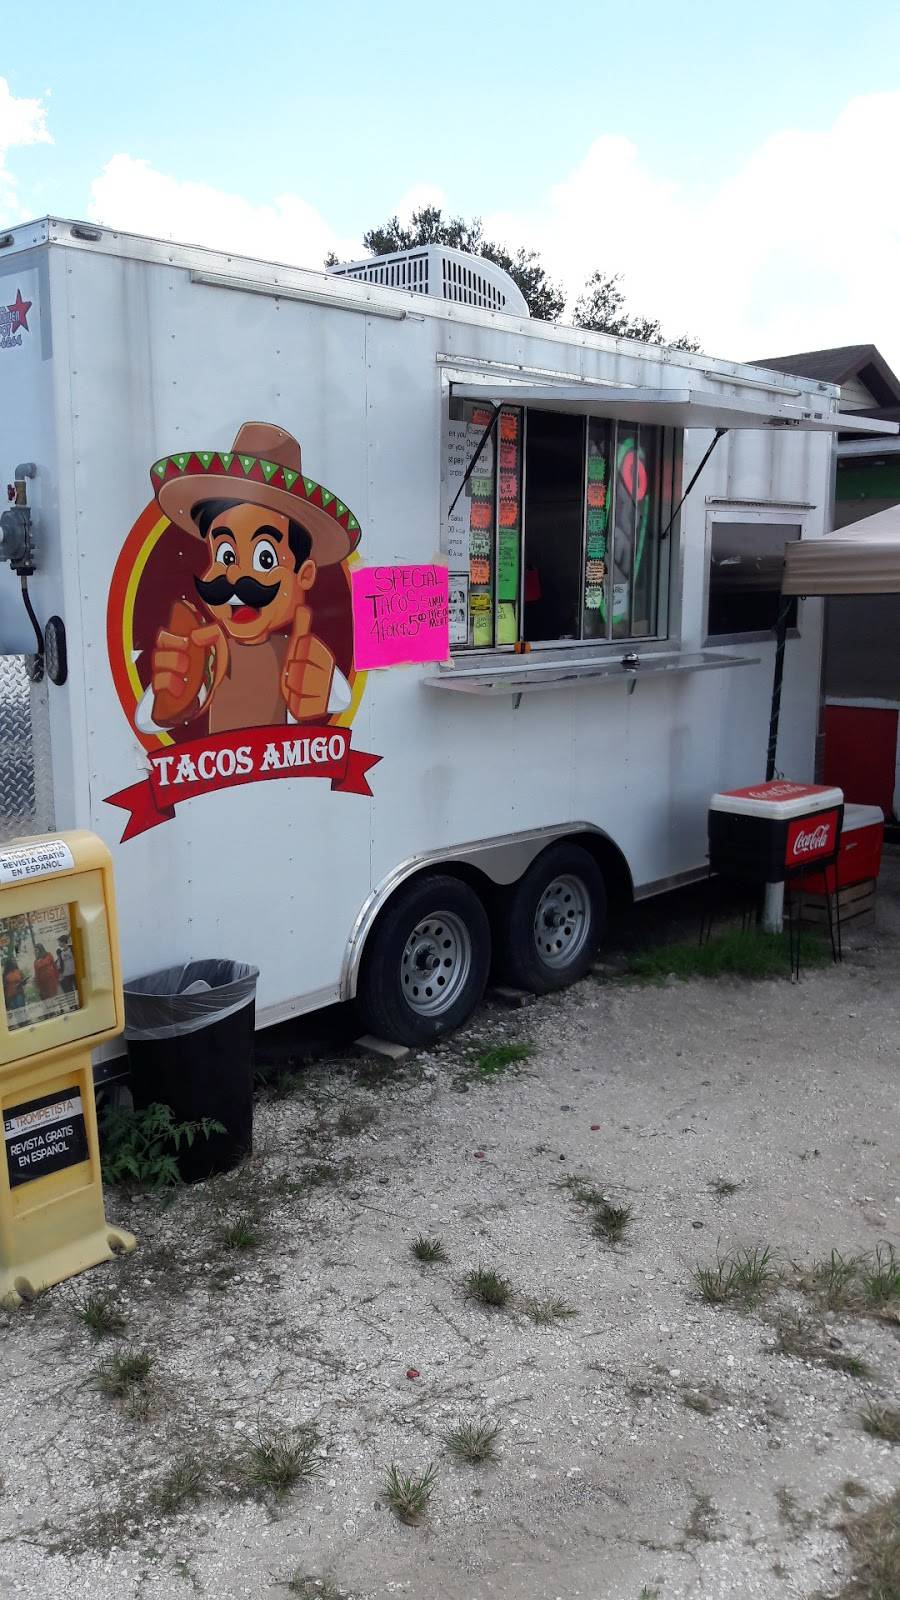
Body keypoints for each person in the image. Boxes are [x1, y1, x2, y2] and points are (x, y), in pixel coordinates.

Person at [141, 421, 358, 736]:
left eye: (264, 559)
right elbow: (147, 720)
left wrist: (321, 685)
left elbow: (340, 698)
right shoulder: (207, 650)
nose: (235, 577)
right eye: (226, 556)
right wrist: (171, 689)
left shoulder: (297, 655)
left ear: (305, 574)